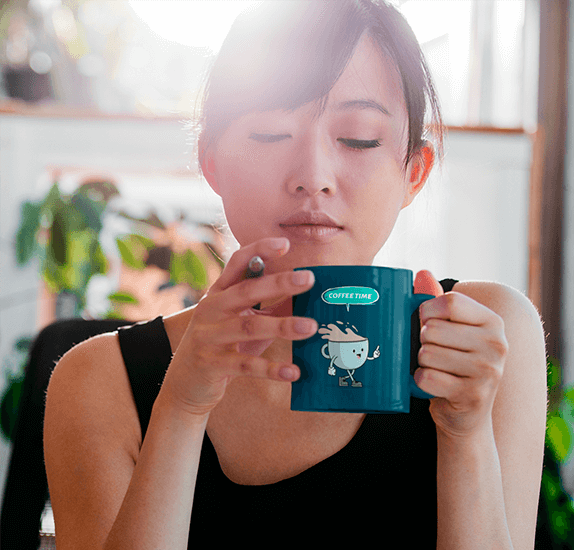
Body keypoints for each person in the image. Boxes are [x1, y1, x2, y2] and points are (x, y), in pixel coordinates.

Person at [43, 1, 547, 548]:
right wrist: (183, 406)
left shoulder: (485, 340)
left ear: (414, 172)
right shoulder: (99, 382)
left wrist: (465, 434)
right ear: (212, 161)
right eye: (269, 135)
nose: (313, 177)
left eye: (358, 138)